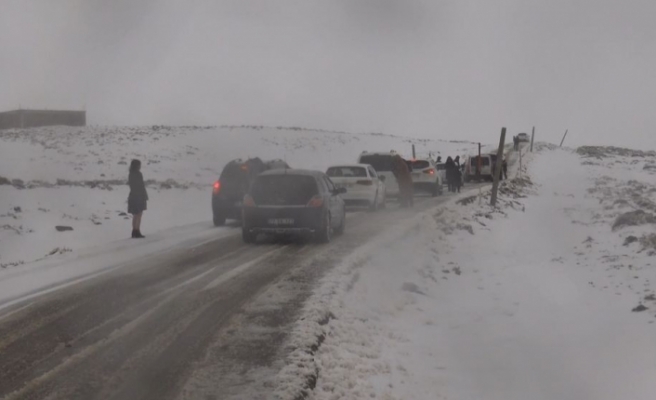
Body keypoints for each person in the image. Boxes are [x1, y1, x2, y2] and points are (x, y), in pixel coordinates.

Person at [128, 159, 148, 238]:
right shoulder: (138, 174)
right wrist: (144, 196)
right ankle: (137, 230)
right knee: (139, 214)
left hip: (133, 195)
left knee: (135, 214)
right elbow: (141, 186)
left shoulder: (130, 174)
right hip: (139, 196)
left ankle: (134, 231)